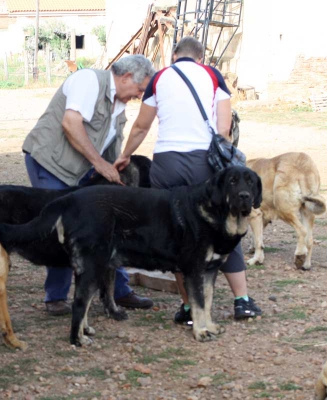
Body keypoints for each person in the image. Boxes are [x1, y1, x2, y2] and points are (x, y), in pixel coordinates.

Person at [113, 37, 262, 324]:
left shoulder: (159, 78)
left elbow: (142, 125)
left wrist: (125, 155)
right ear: (200, 56)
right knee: (225, 229)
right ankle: (241, 301)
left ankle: (188, 307)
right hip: (202, 162)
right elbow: (224, 127)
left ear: (174, 55)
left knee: (175, 231)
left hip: (166, 162)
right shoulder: (212, 75)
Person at [22, 54, 156, 315]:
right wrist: (100, 165)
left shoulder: (118, 103)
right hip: (50, 162)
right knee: (62, 227)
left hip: (80, 169)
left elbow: (110, 145)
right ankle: (56, 297)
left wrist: (117, 172)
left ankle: (119, 291)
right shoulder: (89, 81)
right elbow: (71, 125)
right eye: (140, 89)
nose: (139, 96)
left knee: (108, 223)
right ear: (127, 77)